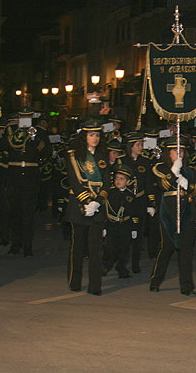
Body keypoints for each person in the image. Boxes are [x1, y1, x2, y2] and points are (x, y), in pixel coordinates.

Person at [65, 119, 110, 295]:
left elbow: (107, 182)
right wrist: (87, 202)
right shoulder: (73, 155)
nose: (95, 138)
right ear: (84, 136)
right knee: (77, 247)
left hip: (97, 207)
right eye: (91, 135)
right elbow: (74, 181)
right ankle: (75, 282)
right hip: (79, 206)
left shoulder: (102, 156)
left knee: (96, 249)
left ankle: (95, 286)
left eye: (97, 135)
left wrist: (98, 201)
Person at [149, 137, 196, 295]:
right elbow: (164, 185)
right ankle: (156, 280)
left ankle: (187, 286)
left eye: (182, 151)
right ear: (168, 152)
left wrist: (187, 184)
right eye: (176, 151)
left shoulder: (190, 170)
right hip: (168, 212)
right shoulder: (160, 168)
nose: (180, 154)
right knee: (167, 248)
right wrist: (173, 172)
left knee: (186, 251)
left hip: (187, 212)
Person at [3, 106, 51, 256]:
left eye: (28, 117)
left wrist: (34, 138)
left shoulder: (39, 132)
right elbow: (2, 148)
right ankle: (15, 243)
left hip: (31, 175)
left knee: (28, 212)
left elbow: (47, 152)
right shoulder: (11, 131)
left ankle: (27, 245)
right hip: (14, 175)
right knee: (14, 211)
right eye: (22, 117)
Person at [119, 131, 156, 274]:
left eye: (141, 144)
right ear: (131, 146)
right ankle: (121, 264)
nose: (141, 147)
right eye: (138, 145)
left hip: (139, 202)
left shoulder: (145, 162)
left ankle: (135, 264)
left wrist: (151, 203)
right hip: (125, 202)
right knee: (123, 235)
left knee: (138, 235)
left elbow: (148, 185)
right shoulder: (122, 161)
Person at [104, 162, 140, 279]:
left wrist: (134, 228)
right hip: (112, 225)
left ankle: (122, 268)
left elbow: (134, 212)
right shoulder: (109, 193)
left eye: (122, 179)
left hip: (125, 225)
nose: (118, 181)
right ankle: (106, 266)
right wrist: (104, 226)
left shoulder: (130, 196)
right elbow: (105, 211)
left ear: (128, 182)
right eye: (117, 178)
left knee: (124, 249)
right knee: (110, 248)